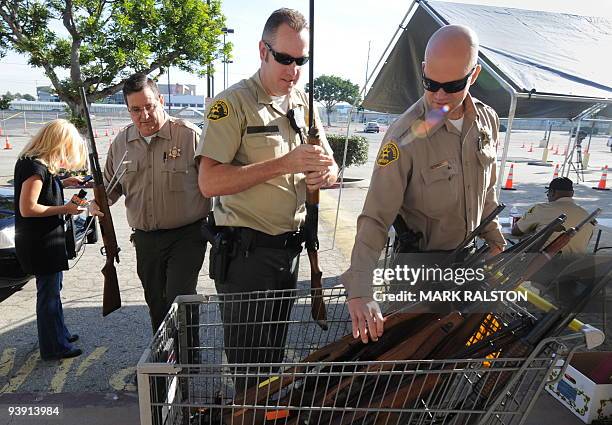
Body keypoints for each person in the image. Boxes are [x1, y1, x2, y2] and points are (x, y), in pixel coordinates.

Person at [196, 8, 338, 383]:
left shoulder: (303, 103)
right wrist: (284, 164)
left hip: (287, 253)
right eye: (285, 58)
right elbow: (209, 182)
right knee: (249, 367)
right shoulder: (233, 104)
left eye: (301, 61)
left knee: (271, 363)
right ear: (263, 50)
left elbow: (329, 161)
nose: (293, 70)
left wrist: (327, 171)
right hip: (247, 257)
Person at [340, 25, 506, 343]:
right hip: (419, 274)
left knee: (453, 358)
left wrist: (495, 240)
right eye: (431, 84)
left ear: (474, 75)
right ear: (423, 70)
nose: (440, 95)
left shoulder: (487, 122)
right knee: (409, 371)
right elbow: (375, 217)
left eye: (453, 85)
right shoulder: (405, 136)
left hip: (467, 265)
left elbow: (487, 189)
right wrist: (360, 289)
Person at [91, 73, 210, 337]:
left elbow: (214, 183)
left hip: (187, 236)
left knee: (179, 301)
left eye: (149, 106)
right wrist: (95, 204)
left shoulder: (189, 136)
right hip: (145, 240)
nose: (143, 115)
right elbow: (110, 190)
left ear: (161, 100)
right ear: (127, 108)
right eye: (135, 109)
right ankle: (164, 365)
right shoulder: (121, 143)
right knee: (156, 303)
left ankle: (188, 363)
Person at [14, 119, 88, 360]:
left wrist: (64, 182)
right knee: (48, 295)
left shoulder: (35, 163)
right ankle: (53, 347)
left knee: (53, 291)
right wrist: (65, 209)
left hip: (44, 241)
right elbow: (28, 208)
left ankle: (59, 335)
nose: (65, 154)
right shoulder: (35, 167)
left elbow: (43, 187)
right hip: (40, 243)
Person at [512, 177, 594, 255]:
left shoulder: (541, 209)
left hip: (541, 264)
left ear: (552, 192)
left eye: (548, 194)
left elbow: (516, 231)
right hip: (573, 266)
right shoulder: (586, 215)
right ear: (572, 193)